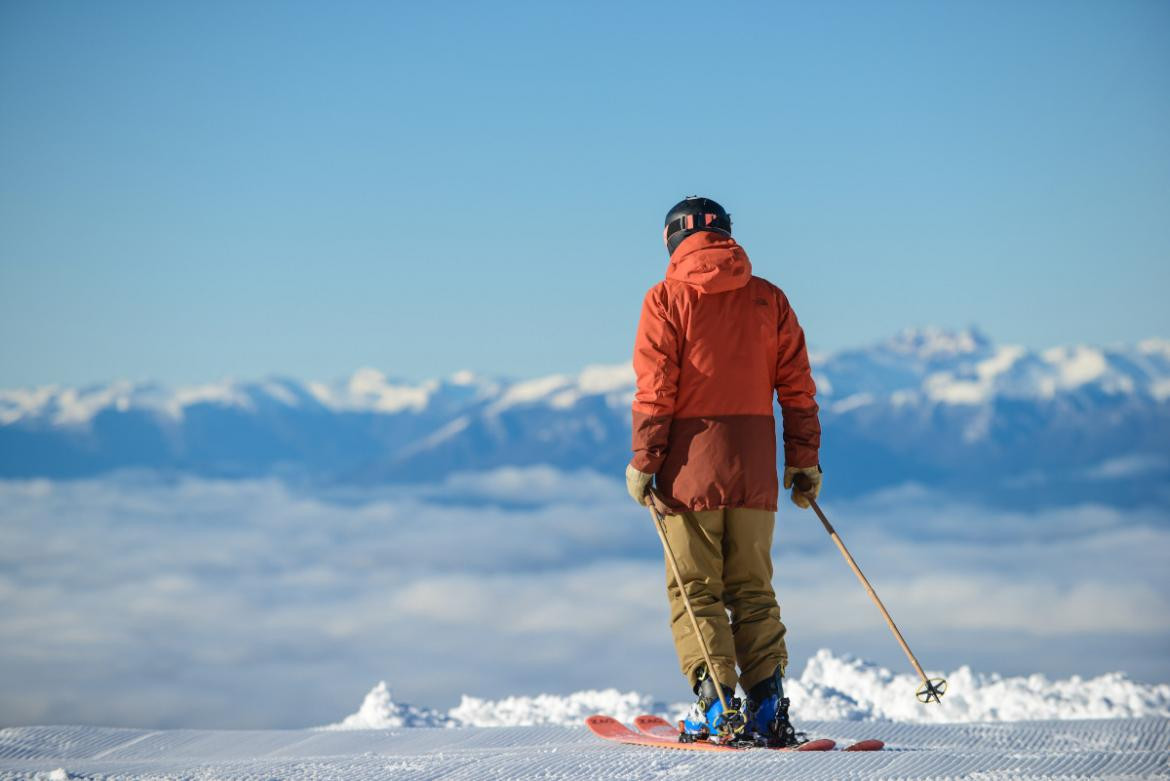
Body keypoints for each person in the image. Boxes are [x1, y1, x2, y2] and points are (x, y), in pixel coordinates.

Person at [625, 196, 822, 746]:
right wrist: (803, 461)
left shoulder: (665, 299)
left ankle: (718, 709)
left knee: (696, 590)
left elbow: (656, 390)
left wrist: (645, 462)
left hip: (689, 469)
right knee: (753, 589)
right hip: (755, 467)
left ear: (671, 240)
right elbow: (798, 389)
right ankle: (767, 706)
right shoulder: (769, 299)